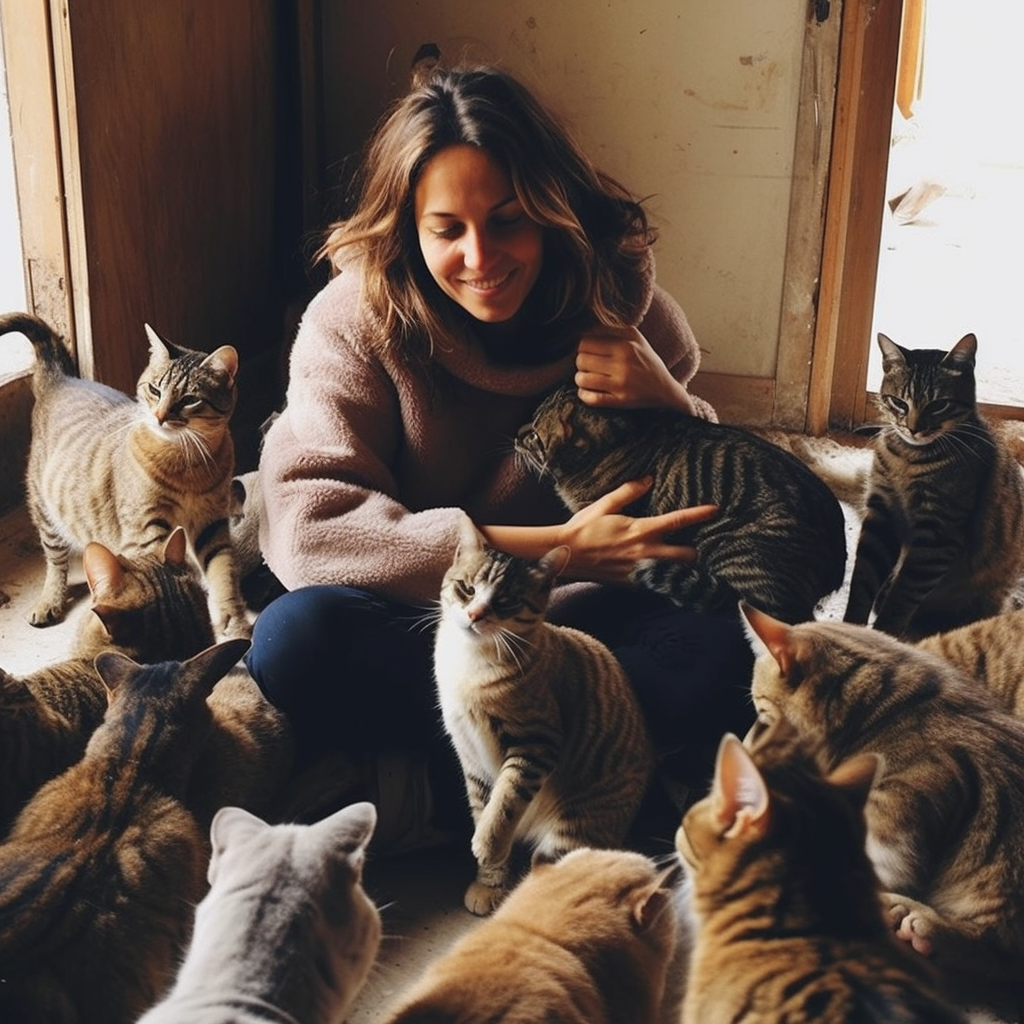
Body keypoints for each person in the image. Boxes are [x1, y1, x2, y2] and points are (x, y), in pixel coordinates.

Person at [247, 62, 755, 845]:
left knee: (720, 643)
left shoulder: (621, 304)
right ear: (410, 230)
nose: (481, 257)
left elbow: (718, 508)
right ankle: (573, 793)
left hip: (578, 641)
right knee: (292, 641)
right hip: (433, 618)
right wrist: (564, 550)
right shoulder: (353, 318)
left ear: (554, 213)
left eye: (510, 220)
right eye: (447, 229)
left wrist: (671, 403)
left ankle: (430, 790)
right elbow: (315, 531)